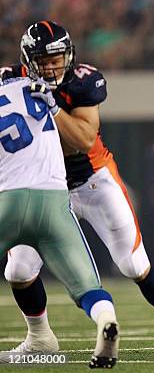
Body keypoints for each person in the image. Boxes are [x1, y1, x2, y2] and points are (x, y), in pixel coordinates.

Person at [1, 21, 154, 364]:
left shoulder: (81, 80)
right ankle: (40, 338)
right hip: (45, 189)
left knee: (133, 264)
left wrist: (52, 106)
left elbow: (83, 139)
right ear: (28, 60)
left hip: (92, 179)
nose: (52, 66)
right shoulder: (12, 80)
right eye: (44, 60)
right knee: (18, 271)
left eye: (57, 58)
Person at [0, 77, 119, 368]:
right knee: (85, 286)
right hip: (54, 199)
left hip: (9, 200)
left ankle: (41, 335)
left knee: (16, 270)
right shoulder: (46, 92)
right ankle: (105, 320)